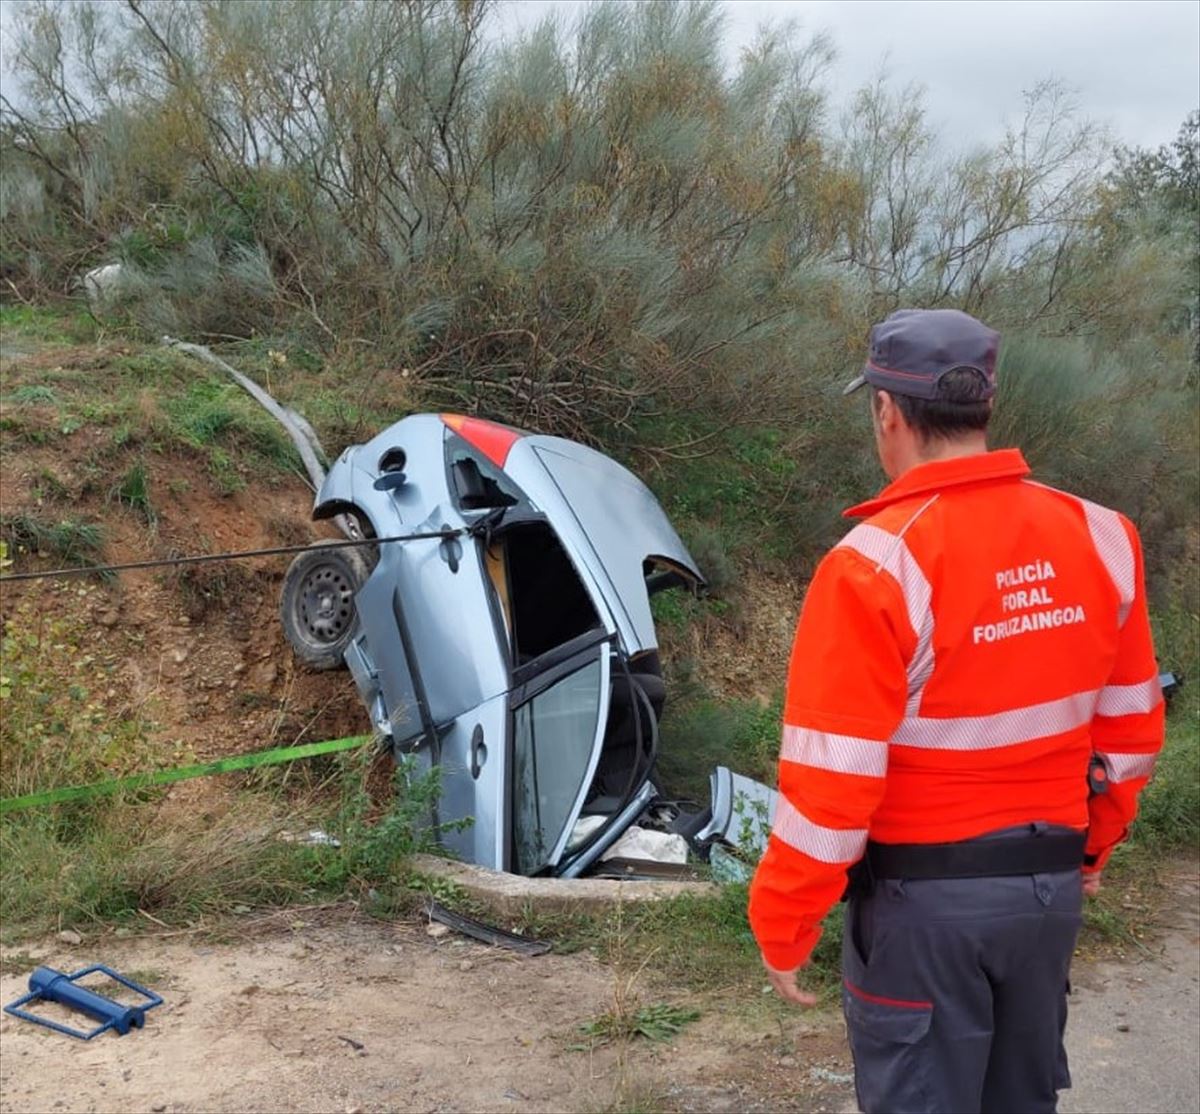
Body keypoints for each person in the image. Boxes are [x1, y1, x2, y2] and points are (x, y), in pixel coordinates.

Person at [747, 308, 1165, 1114]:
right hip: (1045, 893)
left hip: (924, 914)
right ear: (984, 407)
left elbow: (833, 785)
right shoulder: (1105, 535)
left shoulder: (875, 563)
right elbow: (1131, 732)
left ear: (887, 411)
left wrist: (785, 921)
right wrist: (1089, 850)